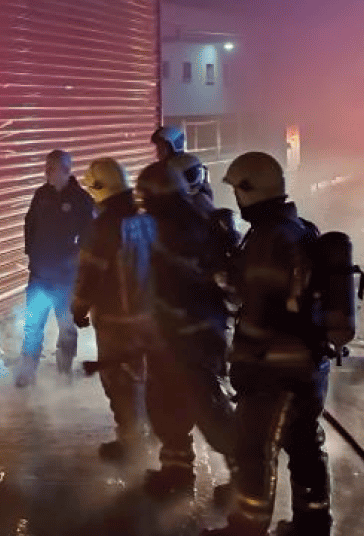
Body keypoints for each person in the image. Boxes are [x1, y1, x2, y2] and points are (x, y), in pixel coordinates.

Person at [202, 151, 334, 536]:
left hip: (273, 373)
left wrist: (243, 362)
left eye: (238, 190)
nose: (236, 200)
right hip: (310, 367)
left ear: (249, 191)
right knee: (304, 445)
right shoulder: (301, 229)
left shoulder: (267, 240)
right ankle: (313, 529)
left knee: (254, 455)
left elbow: (252, 306)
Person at [133, 162, 236, 500]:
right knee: (166, 406)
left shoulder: (189, 227)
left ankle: (245, 477)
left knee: (208, 410)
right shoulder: (168, 225)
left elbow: (190, 282)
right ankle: (176, 471)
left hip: (193, 337)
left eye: (147, 196)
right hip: (171, 337)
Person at [72, 157, 156, 461]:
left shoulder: (103, 228)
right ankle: (156, 436)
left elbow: (89, 275)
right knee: (149, 378)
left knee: (120, 384)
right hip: (152, 319)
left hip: (117, 322)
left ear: (98, 189)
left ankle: (131, 445)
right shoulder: (147, 221)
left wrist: (78, 309)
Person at [16, 150, 94, 387]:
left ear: (66, 170)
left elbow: (90, 237)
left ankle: (63, 373)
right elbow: (30, 224)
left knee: (67, 327)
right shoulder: (41, 195)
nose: (46, 172)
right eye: (46, 167)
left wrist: (77, 263)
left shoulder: (81, 199)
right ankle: (27, 373)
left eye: (51, 167)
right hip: (40, 275)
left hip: (66, 278)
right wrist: (32, 253)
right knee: (33, 325)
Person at [150, 125, 215, 206]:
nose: (158, 151)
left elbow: (197, 195)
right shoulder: (163, 167)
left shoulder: (188, 164)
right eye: (158, 147)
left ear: (173, 146)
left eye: (162, 147)